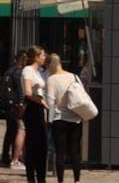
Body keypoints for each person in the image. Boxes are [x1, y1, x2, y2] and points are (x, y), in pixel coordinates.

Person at [46, 53, 83, 183]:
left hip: (59, 118)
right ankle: (77, 179)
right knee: (75, 151)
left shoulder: (52, 79)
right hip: (76, 117)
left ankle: (60, 180)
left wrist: (49, 121)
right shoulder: (74, 77)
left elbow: (50, 102)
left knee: (60, 152)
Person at [23, 45, 49, 183]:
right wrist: (40, 101)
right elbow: (27, 92)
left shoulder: (41, 71)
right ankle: (31, 177)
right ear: (36, 57)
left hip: (40, 108)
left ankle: (41, 176)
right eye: (43, 55)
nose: (45, 58)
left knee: (42, 144)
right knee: (33, 143)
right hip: (33, 107)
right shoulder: (28, 70)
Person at [0, 50, 27, 169]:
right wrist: (21, 103)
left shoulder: (9, 71)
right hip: (16, 105)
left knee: (10, 131)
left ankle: (5, 156)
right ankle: (15, 158)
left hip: (9, 105)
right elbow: (21, 90)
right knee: (19, 130)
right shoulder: (18, 72)